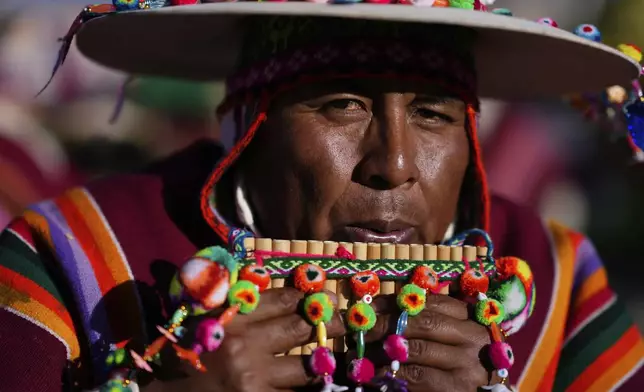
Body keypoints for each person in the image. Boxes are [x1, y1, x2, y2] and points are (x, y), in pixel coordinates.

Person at [0, 2, 643, 392]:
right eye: (342, 105)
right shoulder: (74, 252)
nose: (392, 166)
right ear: (248, 126)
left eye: (433, 114)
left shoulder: (554, 273)